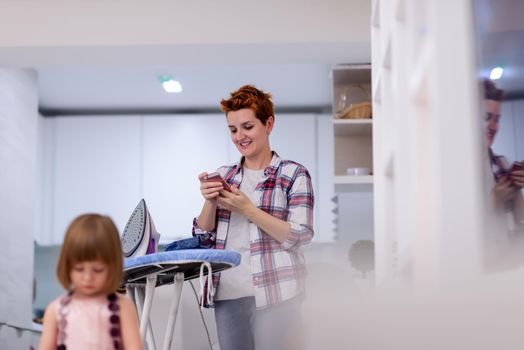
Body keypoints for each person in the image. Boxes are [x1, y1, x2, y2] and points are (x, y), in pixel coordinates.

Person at [193, 85, 314, 350]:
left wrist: (248, 210)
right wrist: (209, 202)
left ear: (268, 123)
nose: (240, 136)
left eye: (248, 127)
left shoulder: (293, 174)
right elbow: (203, 237)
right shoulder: (225, 175)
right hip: (227, 294)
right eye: (233, 130)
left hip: (277, 292)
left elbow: (300, 235)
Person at [39, 214, 142, 350]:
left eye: (98, 270)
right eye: (79, 269)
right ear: (67, 266)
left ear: (113, 266)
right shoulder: (55, 310)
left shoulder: (123, 307)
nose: (87, 277)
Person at [483, 79, 524, 267]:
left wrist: (516, 190)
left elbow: (520, 221)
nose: (493, 126)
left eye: (497, 119)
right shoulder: (458, 168)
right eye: (486, 117)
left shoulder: (501, 163)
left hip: (505, 259)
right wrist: (493, 200)